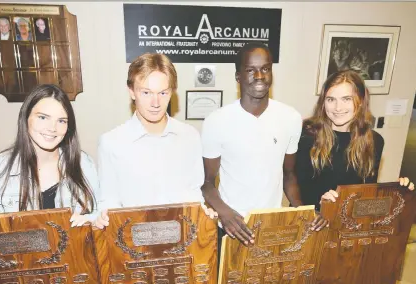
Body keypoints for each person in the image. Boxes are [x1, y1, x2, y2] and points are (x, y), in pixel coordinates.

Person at [0, 84, 99, 284]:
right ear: (25, 117)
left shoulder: (83, 165)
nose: (52, 128)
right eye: (43, 117)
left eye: (62, 121)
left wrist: (92, 220)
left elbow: (100, 217)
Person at [201, 42, 327, 248]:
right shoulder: (217, 121)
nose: (259, 76)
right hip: (233, 227)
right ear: (238, 77)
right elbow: (206, 183)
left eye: (265, 69)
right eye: (250, 70)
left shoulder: (291, 118)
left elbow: (289, 175)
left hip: (272, 225)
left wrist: (304, 211)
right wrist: (225, 214)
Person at [94, 53, 215, 229]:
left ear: (172, 92)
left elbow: (194, 193)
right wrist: (102, 218)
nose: (155, 102)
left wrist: (203, 213)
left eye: (163, 93)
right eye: (146, 92)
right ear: (132, 92)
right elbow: (109, 201)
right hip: (133, 242)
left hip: (182, 239)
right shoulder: (111, 142)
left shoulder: (190, 136)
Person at [296, 70, 414, 208]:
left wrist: (397, 192)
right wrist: (320, 202)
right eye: (331, 99)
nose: (338, 107)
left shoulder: (375, 141)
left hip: (351, 223)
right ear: (323, 102)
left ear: (360, 101)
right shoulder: (306, 136)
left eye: (347, 99)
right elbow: (295, 187)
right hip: (313, 220)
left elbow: (367, 193)